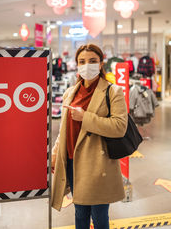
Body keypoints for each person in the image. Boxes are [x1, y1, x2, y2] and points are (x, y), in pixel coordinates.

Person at [51, 44, 128, 229]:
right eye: (82, 61)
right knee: (80, 213)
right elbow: (64, 129)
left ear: (101, 64)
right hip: (72, 161)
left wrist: (85, 117)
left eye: (93, 61)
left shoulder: (113, 91)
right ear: (77, 65)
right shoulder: (70, 92)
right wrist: (55, 153)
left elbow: (119, 127)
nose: (87, 65)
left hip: (96, 163)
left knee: (99, 215)